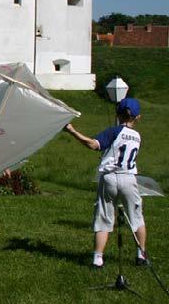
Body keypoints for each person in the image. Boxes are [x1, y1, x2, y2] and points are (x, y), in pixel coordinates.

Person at [63, 97, 148, 268]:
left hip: (109, 178)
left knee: (104, 217)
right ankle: (141, 255)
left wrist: (72, 131)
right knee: (136, 217)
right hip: (129, 178)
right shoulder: (137, 137)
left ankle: (97, 258)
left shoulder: (114, 131)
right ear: (138, 117)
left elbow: (93, 145)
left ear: (118, 114)